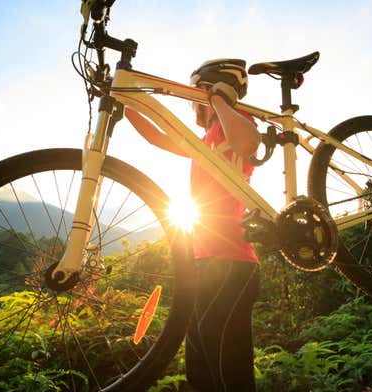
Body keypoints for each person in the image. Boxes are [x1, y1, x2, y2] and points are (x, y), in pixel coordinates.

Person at [125, 59, 261, 392]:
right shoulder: (205, 141)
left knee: (227, 363)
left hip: (233, 263)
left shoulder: (234, 123)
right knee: (199, 363)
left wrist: (219, 99)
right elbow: (157, 138)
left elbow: (247, 143)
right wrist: (125, 103)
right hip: (205, 263)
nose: (193, 105)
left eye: (197, 95)